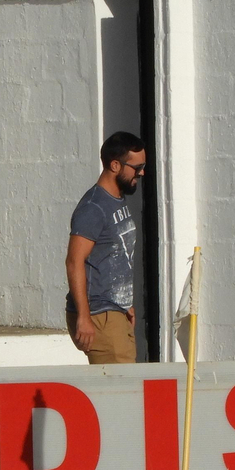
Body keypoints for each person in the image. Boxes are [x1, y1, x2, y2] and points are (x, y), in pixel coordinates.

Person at [65, 132, 143, 364]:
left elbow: (115, 256)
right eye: (137, 167)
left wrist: (125, 302)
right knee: (122, 393)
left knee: (123, 390)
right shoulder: (94, 208)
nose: (141, 172)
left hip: (114, 311)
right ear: (115, 165)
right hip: (100, 316)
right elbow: (73, 261)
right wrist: (84, 317)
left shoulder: (116, 199)